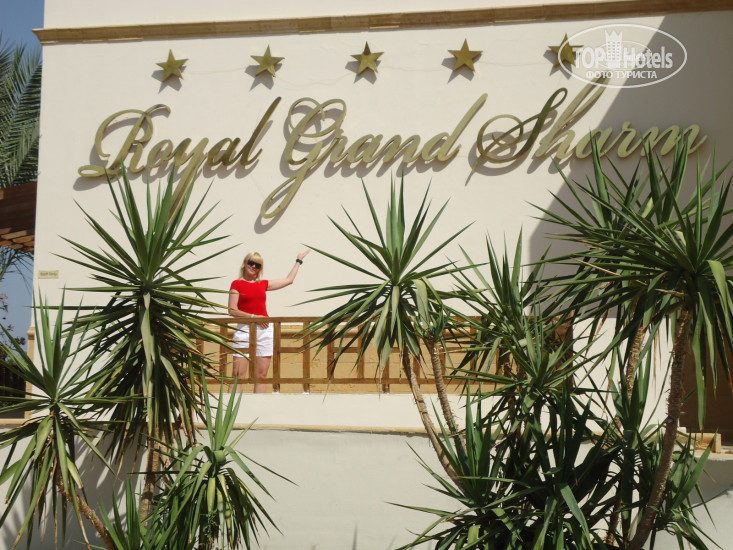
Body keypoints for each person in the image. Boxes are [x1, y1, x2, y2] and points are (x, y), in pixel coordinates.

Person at [228, 249, 310, 393]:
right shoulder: (237, 284)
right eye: (251, 263)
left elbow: (288, 280)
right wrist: (254, 317)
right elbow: (232, 310)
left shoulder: (263, 284)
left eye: (257, 265)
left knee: (262, 375)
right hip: (245, 329)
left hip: (264, 330)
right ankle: (231, 405)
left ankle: (258, 405)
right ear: (245, 264)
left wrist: (298, 260)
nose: (254, 266)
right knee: (238, 375)